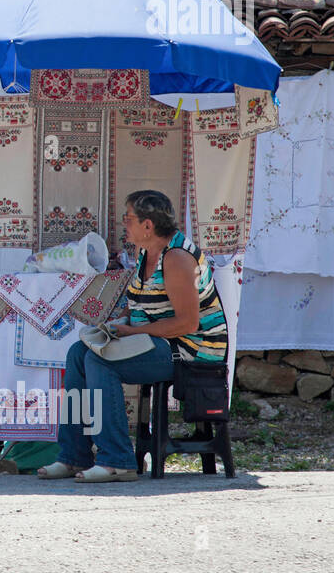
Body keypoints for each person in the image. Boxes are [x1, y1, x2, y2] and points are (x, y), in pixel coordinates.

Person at [38, 189, 229, 483]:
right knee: (79, 354)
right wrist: (117, 324)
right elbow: (142, 304)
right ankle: (74, 455)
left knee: (102, 362)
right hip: (156, 340)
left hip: (189, 351)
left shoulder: (177, 258)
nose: (124, 225)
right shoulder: (145, 254)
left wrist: (133, 331)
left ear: (148, 225)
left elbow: (188, 323)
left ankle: (117, 460)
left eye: (129, 219)